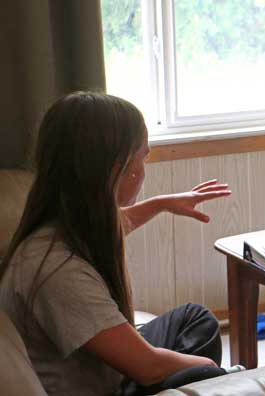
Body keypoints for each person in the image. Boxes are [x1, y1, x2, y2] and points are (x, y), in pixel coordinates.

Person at [0, 92, 236, 396]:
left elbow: (109, 225)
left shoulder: (56, 227)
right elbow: (147, 366)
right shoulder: (55, 270)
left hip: (107, 371)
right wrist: (220, 375)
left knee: (196, 319)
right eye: (143, 157)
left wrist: (161, 204)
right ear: (117, 168)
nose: (144, 168)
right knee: (200, 369)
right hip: (103, 390)